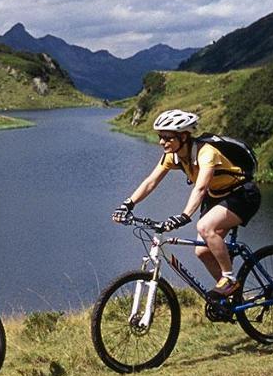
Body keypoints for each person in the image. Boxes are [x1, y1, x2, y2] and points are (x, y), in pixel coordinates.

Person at [111, 109, 262, 298]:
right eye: (160, 137)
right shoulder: (172, 156)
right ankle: (232, 295)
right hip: (216, 195)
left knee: (205, 227)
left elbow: (200, 188)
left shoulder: (206, 153)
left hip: (242, 195)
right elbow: (151, 181)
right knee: (202, 251)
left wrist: (184, 216)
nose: (161, 142)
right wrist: (128, 204)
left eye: (167, 137)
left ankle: (229, 278)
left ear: (183, 136)